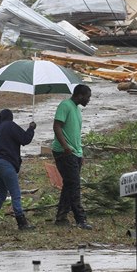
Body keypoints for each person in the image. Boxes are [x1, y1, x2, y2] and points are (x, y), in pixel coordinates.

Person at [0, 109, 36, 230]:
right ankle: (21, 222)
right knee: (15, 193)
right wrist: (31, 129)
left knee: (2, 193)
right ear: (11, 117)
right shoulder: (11, 126)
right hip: (6, 163)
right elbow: (25, 140)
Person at [51, 84, 92, 230]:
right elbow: (57, 127)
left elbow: (74, 133)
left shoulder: (76, 109)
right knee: (74, 185)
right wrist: (65, 147)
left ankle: (61, 217)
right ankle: (80, 219)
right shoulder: (65, 105)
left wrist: (80, 153)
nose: (89, 100)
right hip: (64, 152)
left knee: (69, 185)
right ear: (80, 95)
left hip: (75, 152)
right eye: (87, 97)